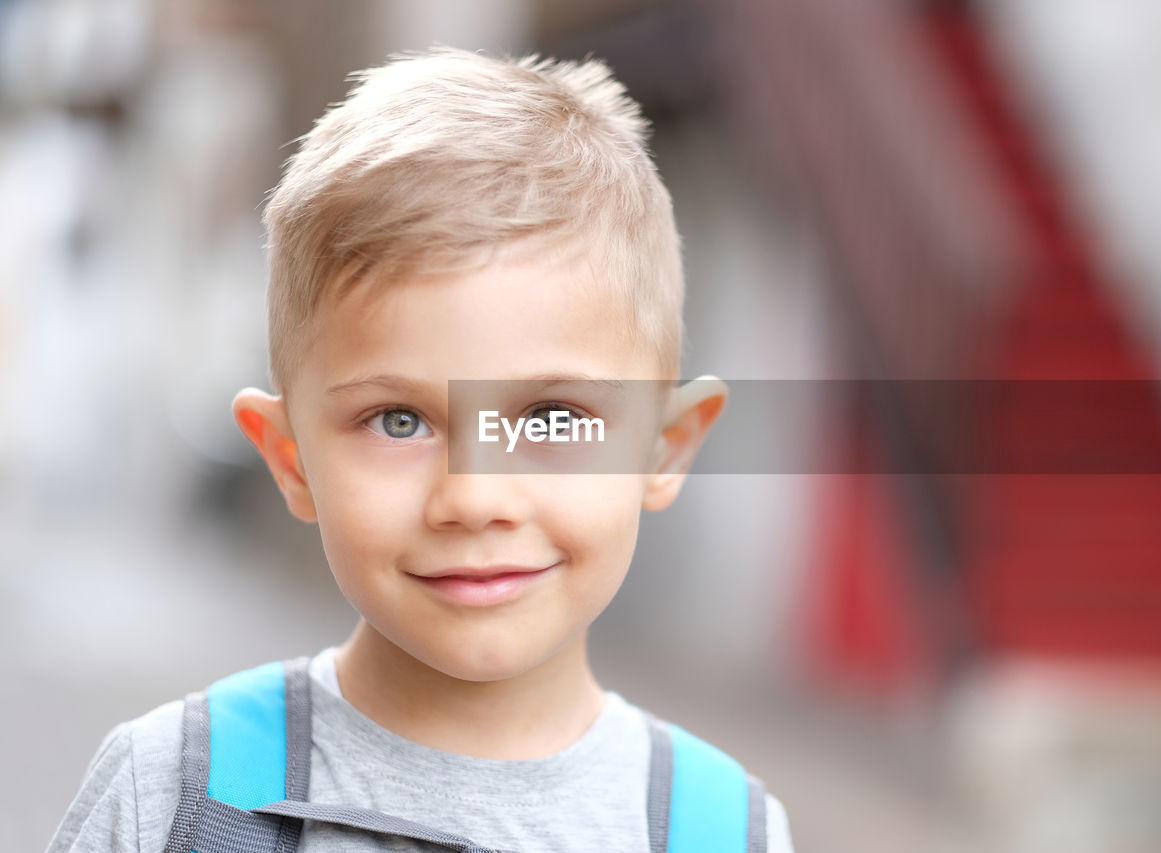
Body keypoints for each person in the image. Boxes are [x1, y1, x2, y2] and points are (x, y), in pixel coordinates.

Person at [45, 46, 794, 852]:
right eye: (398, 421)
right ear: (292, 458)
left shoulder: (722, 831)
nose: (474, 498)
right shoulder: (180, 797)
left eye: (549, 418)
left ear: (665, 446)